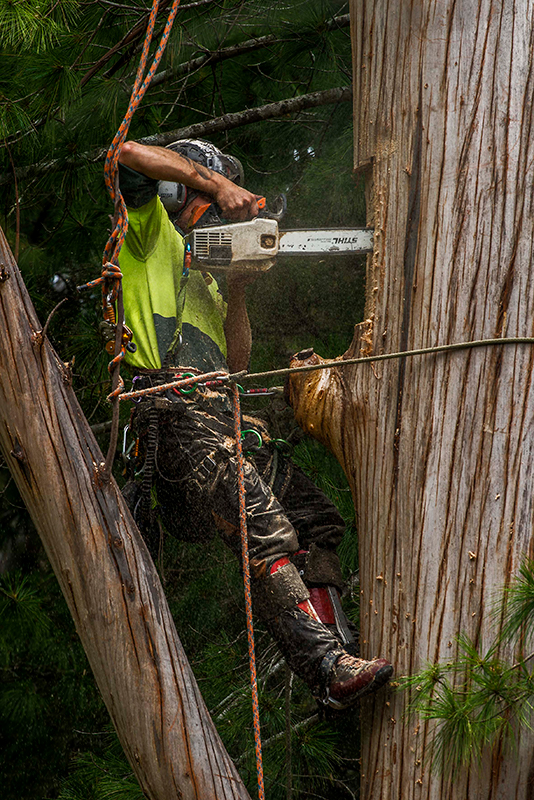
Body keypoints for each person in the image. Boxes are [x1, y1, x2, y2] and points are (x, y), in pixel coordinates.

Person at [116, 138, 393, 710]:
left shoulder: (209, 282)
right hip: (173, 421)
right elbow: (125, 151)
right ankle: (326, 670)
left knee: (316, 518)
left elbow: (236, 363)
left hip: (221, 417)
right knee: (262, 522)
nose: (221, 217)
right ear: (180, 194)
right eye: (211, 205)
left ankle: (339, 643)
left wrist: (238, 288)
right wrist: (218, 184)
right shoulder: (147, 234)